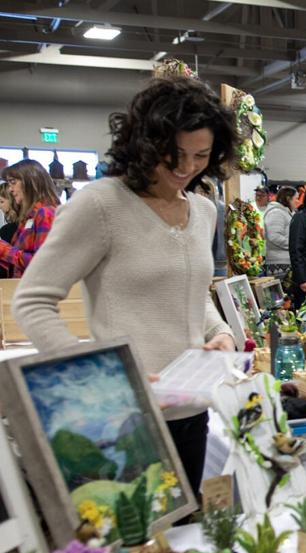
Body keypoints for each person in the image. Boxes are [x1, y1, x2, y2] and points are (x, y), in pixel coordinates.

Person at [13, 76, 236, 502]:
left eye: (201, 156)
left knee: (185, 529)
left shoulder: (204, 211)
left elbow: (192, 291)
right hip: (123, 422)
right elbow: (32, 301)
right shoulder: (101, 204)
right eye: (175, 155)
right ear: (145, 143)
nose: (187, 168)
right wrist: (104, 379)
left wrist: (220, 332)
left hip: (192, 412)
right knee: (135, 536)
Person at [0, 159, 60, 278]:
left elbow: (42, 263)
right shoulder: (29, 217)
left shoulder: (45, 213)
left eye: (13, 182)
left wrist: (3, 250)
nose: (10, 189)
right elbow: (17, 265)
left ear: (30, 182)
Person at [262, 185, 298, 283]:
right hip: (279, 263)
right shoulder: (276, 213)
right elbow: (274, 237)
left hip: (285, 262)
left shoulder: (286, 213)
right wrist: (295, 245)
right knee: (283, 291)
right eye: (296, 198)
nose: (298, 201)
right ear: (288, 198)